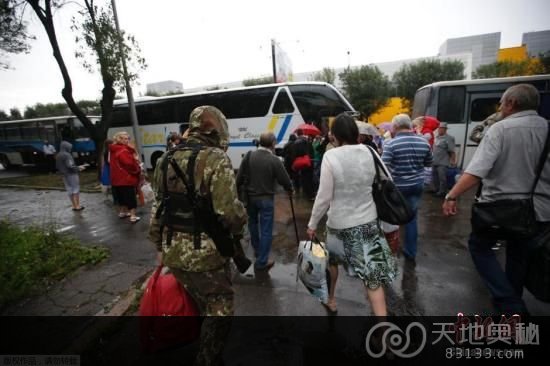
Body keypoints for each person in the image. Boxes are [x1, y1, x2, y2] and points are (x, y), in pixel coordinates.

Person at [149, 105, 247, 366]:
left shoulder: (164, 159)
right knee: (221, 305)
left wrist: (159, 244)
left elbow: (158, 207)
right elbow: (229, 212)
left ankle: (203, 342)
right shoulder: (216, 158)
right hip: (206, 254)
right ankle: (207, 357)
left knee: (200, 300)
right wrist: (240, 229)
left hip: (173, 251)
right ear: (217, 129)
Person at [443, 84, 550, 315]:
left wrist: (452, 195)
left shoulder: (500, 129)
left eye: (501, 103)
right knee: (518, 254)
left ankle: (511, 305)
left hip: (501, 211)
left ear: (511, 103)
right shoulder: (548, 128)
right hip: (541, 211)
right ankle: (511, 306)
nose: (500, 107)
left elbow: (476, 171)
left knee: (479, 247)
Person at [307, 113, 397, 315]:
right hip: (368, 223)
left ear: (335, 135)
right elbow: (387, 179)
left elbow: (323, 196)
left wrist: (312, 224)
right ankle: (382, 331)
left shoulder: (331, 156)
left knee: (332, 264)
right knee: (372, 279)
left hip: (339, 226)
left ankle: (331, 300)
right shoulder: (370, 152)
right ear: (355, 133)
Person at [237, 132, 292, 271]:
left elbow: (238, 178)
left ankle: (257, 249)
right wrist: (289, 188)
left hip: (250, 199)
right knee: (266, 230)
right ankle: (262, 261)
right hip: (266, 199)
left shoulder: (249, 156)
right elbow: (284, 179)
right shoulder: (274, 160)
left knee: (253, 224)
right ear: (273, 143)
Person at [381, 114, 433, 261]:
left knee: (393, 218)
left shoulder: (390, 144)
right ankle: (410, 252)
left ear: (395, 127)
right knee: (411, 219)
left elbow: (384, 167)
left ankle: (392, 249)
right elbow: (429, 162)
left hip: (398, 187)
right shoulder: (424, 142)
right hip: (417, 185)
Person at [109, 131, 141, 223]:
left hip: (116, 178)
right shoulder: (123, 150)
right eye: (125, 138)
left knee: (121, 197)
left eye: (128, 138)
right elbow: (129, 164)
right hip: (126, 178)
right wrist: (137, 167)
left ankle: (123, 212)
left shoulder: (113, 149)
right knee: (130, 197)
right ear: (119, 139)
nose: (127, 140)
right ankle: (133, 216)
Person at [56, 141, 85, 211]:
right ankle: (78, 206)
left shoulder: (58, 155)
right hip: (72, 174)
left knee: (69, 190)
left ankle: (74, 206)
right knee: (76, 189)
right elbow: (70, 165)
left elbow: (58, 166)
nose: (70, 149)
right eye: (69, 147)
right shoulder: (67, 155)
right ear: (66, 147)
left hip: (64, 175)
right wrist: (79, 168)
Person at [431, 122, 456, 197]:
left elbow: (452, 151)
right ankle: (437, 189)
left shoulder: (449, 138)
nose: (439, 130)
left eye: (441, 128)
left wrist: (452, 160)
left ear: (445, 129)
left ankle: (442, 192)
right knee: (435, 176)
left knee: (442, 178)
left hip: (443, 161)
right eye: (439, 128)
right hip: (434, 160)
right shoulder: (437, 137)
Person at [292, 129, 315, 200]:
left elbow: (295, 154)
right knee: (310, 178)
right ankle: (311, 194)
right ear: (302, 133)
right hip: (309, 161)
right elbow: (312, 151)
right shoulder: (308, 140)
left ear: (297, 134)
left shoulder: (296, 142)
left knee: (304, 178)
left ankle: (308, 194)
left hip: (302, 163)